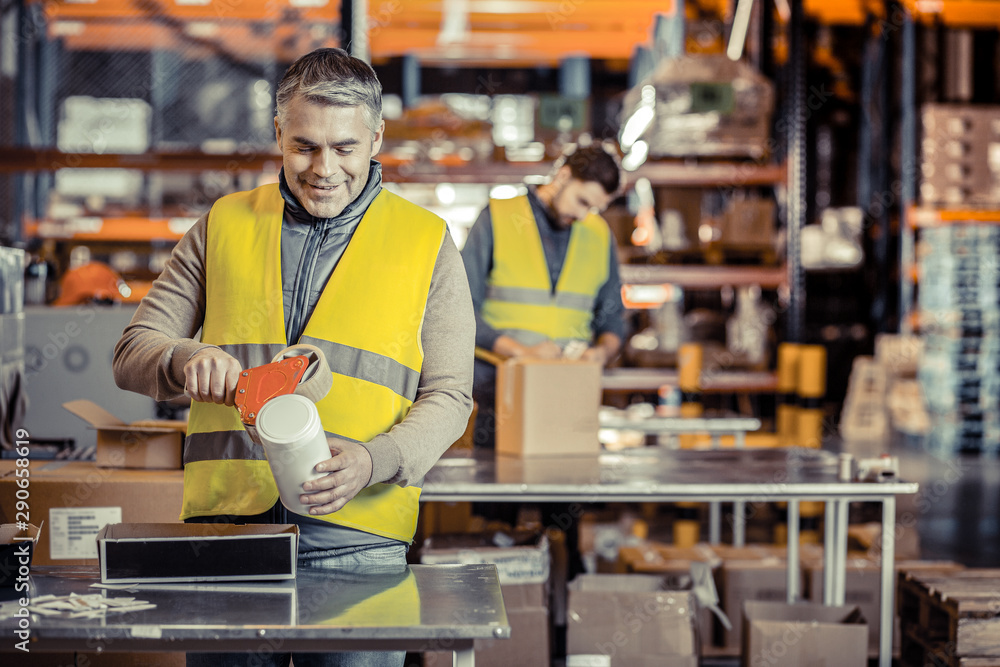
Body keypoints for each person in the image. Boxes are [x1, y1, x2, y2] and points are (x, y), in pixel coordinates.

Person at [113, 47, 474, 667]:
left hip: (357, 538)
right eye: (304, 146)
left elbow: (450, 396)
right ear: (278, 132)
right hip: (229, 536)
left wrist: (374, 459)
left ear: (376, 138)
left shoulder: (426, 242)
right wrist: (181, 358)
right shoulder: (224, 223)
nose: (324, 169)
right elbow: (131, 353)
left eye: (345, 148)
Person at [461, 143, 625, 450]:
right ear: (563, 176)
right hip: (496, 390)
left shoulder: (599, 233)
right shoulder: (497, 217)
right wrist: (521, 352)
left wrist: (601, 353)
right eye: (581, 201)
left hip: (566, 394)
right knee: (496, 490)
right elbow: (460, 311)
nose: (582, 214)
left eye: (592, 208)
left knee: (562, 490)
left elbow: (613, 316)